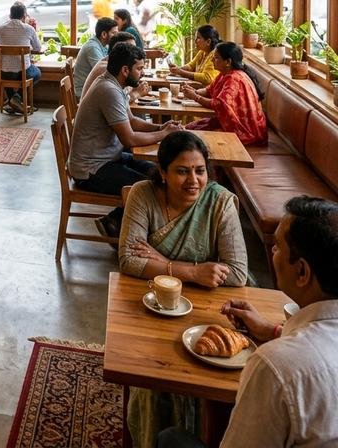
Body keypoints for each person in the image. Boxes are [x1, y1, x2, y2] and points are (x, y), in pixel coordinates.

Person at [158, 196, 338, 448]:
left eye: (276, 247)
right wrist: (273, 330)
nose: (272, 254)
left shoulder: (275, 366)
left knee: (170, 439)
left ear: (302, 272)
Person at [121, 131, 249, 448]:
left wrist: (161, 262)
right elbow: (128, 259)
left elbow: (237, 272)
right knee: (150, 376)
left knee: (214, 369)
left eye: (200, 170)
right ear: (163, 173)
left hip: (211, 306)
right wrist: (192, 271)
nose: (193, 180)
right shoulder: (143, 195)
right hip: (156, 305)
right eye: (182, 171)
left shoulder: (219, 202)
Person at [68, 43, 183, 238]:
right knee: (151, 187)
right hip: (90, 169)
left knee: (158, 174)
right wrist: (164, 135)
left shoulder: (114, 84)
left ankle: (117, 222)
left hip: (107, 158)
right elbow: (129, 138)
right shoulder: (108, 90)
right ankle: (119, 225)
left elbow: (131, 121)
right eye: (139, 68)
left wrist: (160, 128)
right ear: (125, 70)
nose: (142, 73)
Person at [183, 42, 268, 146]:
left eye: (216, 58)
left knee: (195, 138)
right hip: (231, 124)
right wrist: (193, 91)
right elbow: (209, 90)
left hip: (247, 131)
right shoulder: (224, 74)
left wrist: (195, 97)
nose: (212, 60)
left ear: (228, 62)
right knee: (189, 128)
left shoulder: (234, 78)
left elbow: (220, 104)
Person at [0, 1, 41, 114]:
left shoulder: (0, 28)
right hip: (21, 72)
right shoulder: (29, 29)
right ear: (24, 16)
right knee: (36, 73)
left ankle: (12, 101)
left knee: (5, 73)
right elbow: (38, 48)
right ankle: (16, 99)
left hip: (1, 72)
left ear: (10, 16)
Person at [80, 30, 150, 100]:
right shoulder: (107, 68)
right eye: (129, 47)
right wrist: (136, 94)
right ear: (118, 48)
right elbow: (116, 98)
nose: (134, 52)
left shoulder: (119, 64)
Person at [72, 17, 118, 98]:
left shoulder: (104, 46)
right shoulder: (93, 47)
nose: (116, 36)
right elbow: (104, 72)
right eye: (114, 33)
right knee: (117, 96)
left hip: (94, 86)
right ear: (104, 34)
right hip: (84, 91)